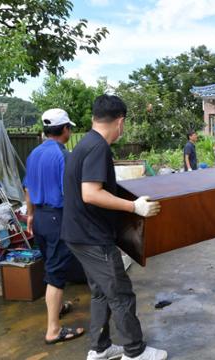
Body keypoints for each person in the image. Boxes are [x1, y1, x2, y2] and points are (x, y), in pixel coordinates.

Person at [61, 95, 167, 360]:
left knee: (100, 292)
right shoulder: (98, 147)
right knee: (120, 292)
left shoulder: (84, 143)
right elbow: (91, 193)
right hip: (92, 237)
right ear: (120, 122)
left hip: (78, 234)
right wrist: (134, 207)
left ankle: (100, 348)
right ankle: (135, 351)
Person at [23, 108, 84, 345]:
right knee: (56, 274)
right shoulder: (63, 156)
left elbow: (27, 188)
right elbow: (69, 194)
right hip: (57, 218)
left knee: (51, 265)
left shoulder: (34, 154)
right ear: (65, 129)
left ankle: (57, 309)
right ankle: (53, 330)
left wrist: (30, 215)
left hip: (39, 218)